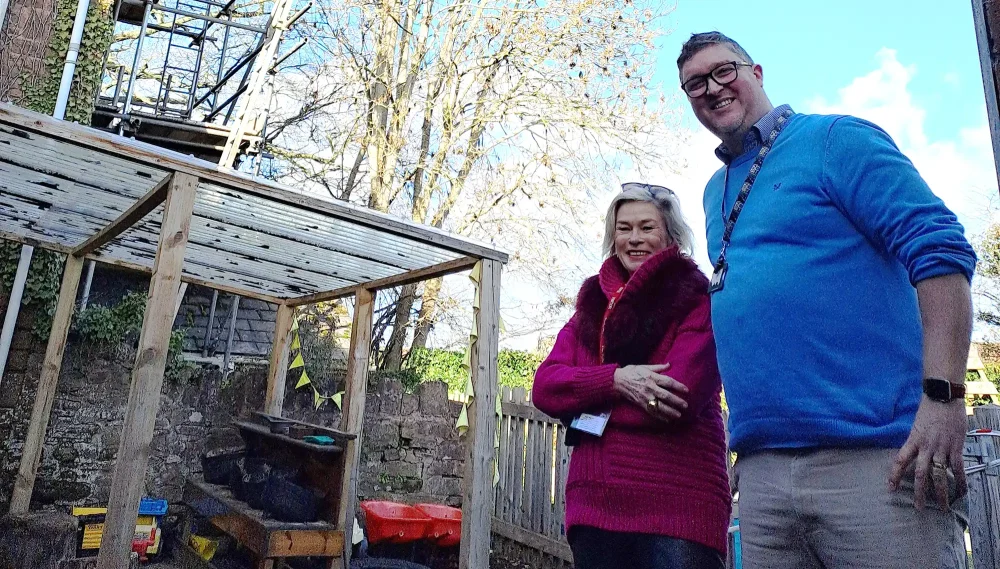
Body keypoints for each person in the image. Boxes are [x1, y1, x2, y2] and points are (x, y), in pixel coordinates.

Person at [677, 31, 977, 569]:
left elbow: (941, 253)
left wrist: (944, 397)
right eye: (694, 83)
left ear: (758, 72)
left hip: (878, 465)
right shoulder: (712, 191)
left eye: (724, 71)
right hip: (765, 480)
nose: (712, 88)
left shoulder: (836, 140)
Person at [532, 183, 731, 569]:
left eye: (647, 227)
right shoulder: (590, 307)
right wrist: (617, 381)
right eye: (624, 229)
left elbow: (677, 398)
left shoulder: (698, 300)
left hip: (679, 506)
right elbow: (545, 387)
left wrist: (583, 402)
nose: (634, 239)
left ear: (671, 236)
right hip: (595, 504)